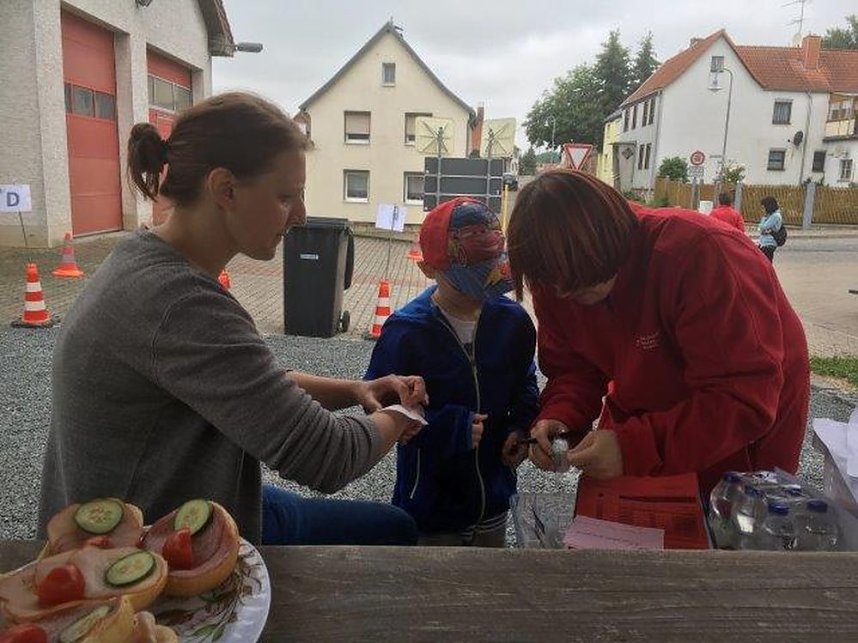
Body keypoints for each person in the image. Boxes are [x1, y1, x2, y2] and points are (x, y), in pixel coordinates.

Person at [38, 92, 427, 546]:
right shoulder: (176, 301)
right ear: (225, 189)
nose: (299, 216)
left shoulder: (142, 260)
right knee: (397, 529)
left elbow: (244, 385)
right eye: (286, 197)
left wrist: (355, 391)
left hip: (188, 507)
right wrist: (402, 415)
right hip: (143, 551)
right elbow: (328, 456)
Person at [506, 169, 809, 497]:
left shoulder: (699, 254)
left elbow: (741, 398)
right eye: (553, 285)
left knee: (724, 525)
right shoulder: (555, 276)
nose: (564, 295)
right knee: (621, 520)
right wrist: (559, 416)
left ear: (614, 244)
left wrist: (631, 448)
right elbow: (574, 368)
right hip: (648, 400)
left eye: (580, 283)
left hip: (740, 417)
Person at [364, 198, 539, 546]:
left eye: (491, 276)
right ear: (427, 268)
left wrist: (521, 426)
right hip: (431, 508)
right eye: (468, 282)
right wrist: (447, 428)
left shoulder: (514, 322)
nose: (480, 295)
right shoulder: (406, 331)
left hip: (494, 498)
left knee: (482, 588)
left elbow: (525, 382)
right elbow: (377, 409)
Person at [758, 195, 784, 262]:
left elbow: (763, 227)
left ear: (768, 207)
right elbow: (760, 229)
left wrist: (764, 217)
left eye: (763, 208)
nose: (762, 210)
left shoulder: (775, 216)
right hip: (764, 243)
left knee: (765, 263)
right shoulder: (770, 216)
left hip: (769, 244)